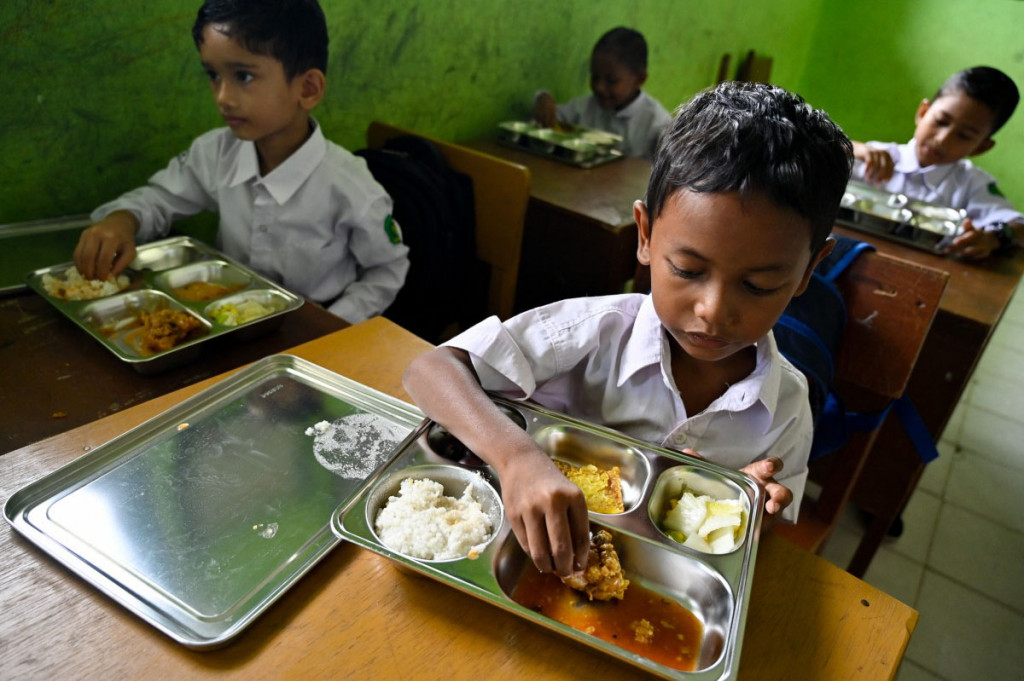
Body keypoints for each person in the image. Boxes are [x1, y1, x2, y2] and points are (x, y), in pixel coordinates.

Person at [404, 81, 852, 577]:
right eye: (687, 270)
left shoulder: (787, 405)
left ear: (809, 271)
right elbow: (430, 371)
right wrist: (517, 459)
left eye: (758, 285)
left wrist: (743, 511)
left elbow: (768, 529)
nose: (712, 310)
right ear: (645, 234)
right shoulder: (593, 333)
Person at [73, 0, 409, 324]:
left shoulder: (350, 186)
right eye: (213, 75)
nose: (223, 97)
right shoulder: (215, 153)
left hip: (310, 334)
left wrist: (333, 325)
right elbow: (159, 199)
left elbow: (387, 269)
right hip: (228, 321)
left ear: (307, 88)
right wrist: (123, 220)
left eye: (243, 76)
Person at [851, 66, 1022, 260]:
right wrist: (849, 147)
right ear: (923, 112)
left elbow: (1019, 225)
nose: (942, 139)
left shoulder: (972, 184)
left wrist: (994, 237)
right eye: (941, 121)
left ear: (981, 147)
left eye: (964, 136)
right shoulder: (871, 156)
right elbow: (822, 160)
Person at [532, 27, 672, 160]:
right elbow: (550, 118)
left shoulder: (657, 124)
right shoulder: (586, 107)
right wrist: (542, 98)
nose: (599, 87)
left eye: (611, 81)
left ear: (639, 79)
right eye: (595, 77)